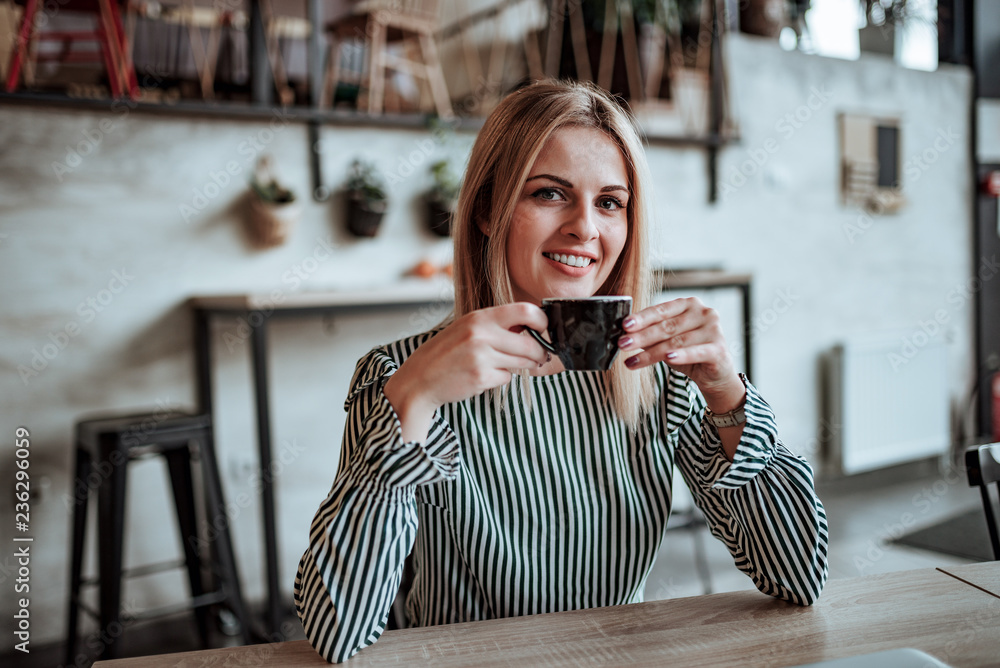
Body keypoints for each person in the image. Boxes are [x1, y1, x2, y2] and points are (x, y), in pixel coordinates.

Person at [294, 79, 829, 664]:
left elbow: (799, 575)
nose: (586, 228)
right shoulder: (399, 374)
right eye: (550, 194)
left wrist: (728, 393)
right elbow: (338, 632)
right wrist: (412, 400)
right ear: (486, 213)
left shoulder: (660, 378)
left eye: (610, 202)